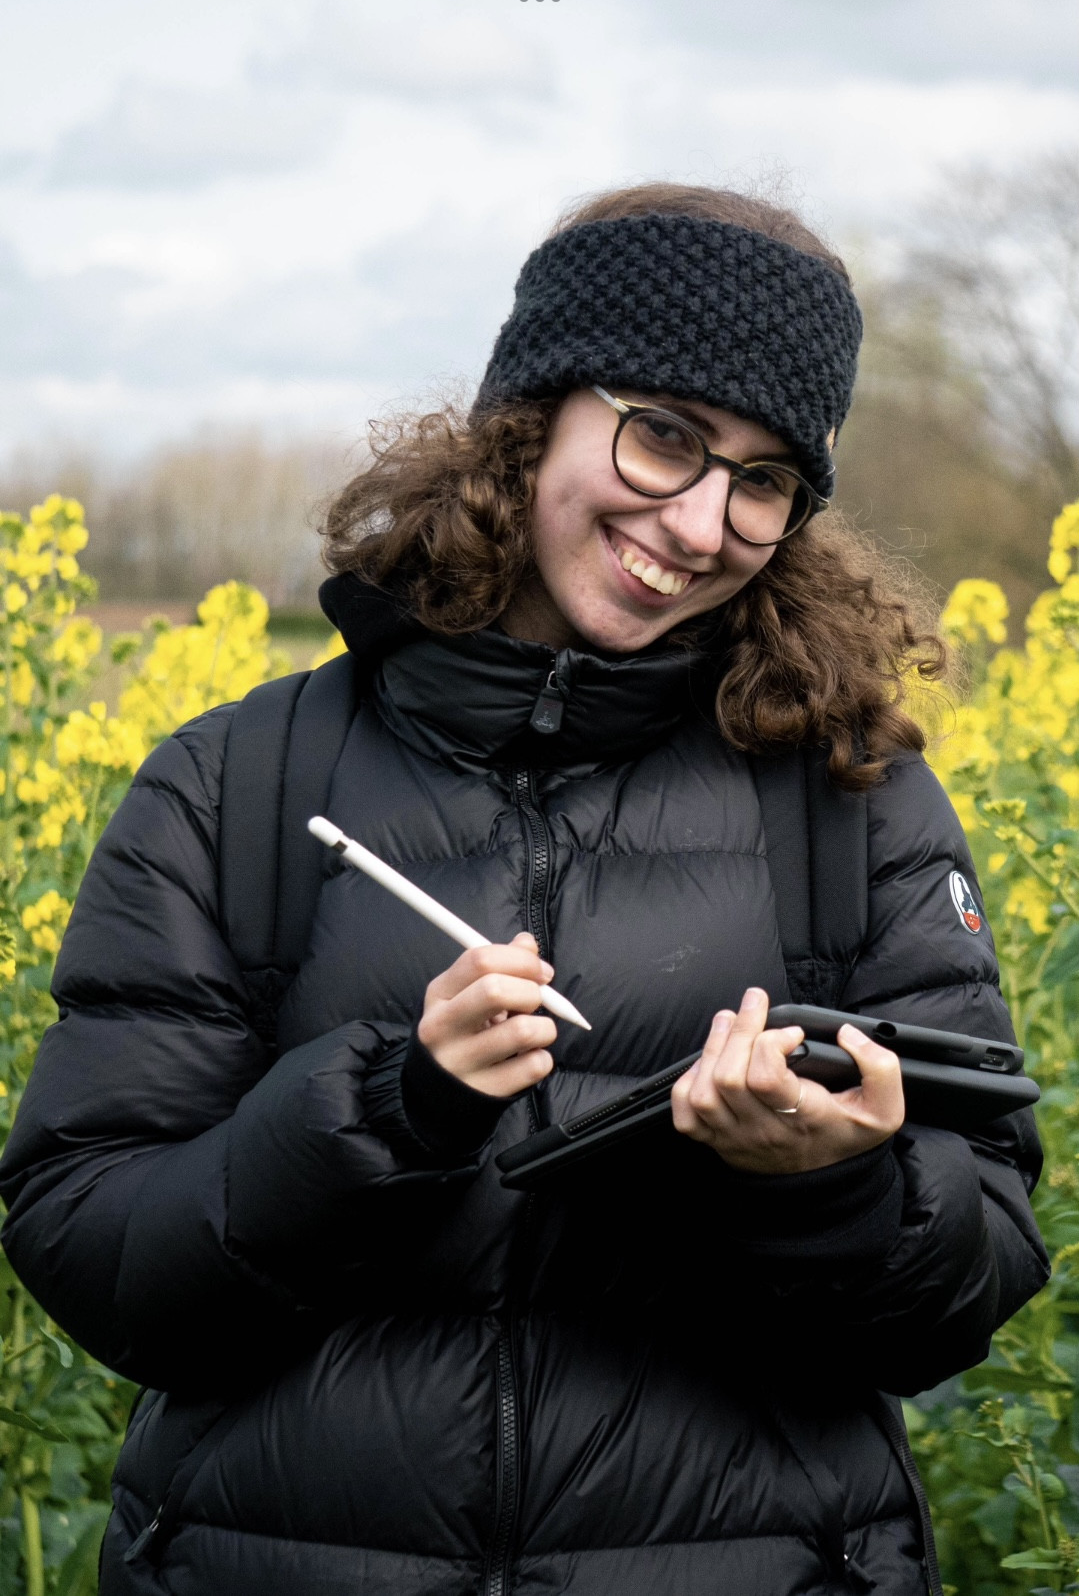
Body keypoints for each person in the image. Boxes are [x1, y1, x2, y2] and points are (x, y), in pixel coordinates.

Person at [0, 183, 1049, 1596]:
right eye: (665, 434)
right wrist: (390, 1111)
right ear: (530, 417)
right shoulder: (239, 784)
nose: (700, 520)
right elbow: (93, 1253)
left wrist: (835, 1187)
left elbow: (967, 1285)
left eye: (762, 478)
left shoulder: (852, 802)